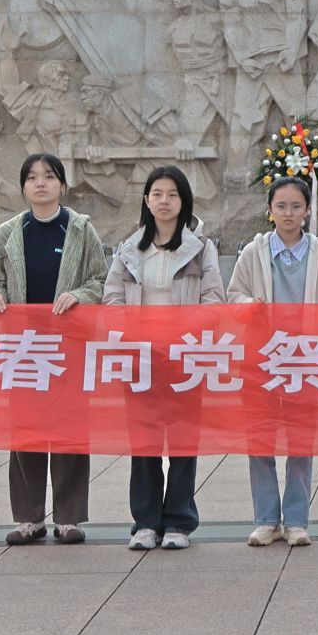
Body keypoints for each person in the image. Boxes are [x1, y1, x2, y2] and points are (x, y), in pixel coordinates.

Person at [0, 153, 108, 545]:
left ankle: (69, 518)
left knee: (70, 429)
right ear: (23, 186)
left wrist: (79, 295)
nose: (41, 183)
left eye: (49, 176)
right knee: (26, 432)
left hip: (69, 345)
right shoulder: (8, 232)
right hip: (24, 348)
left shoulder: (80, 229)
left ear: (62, 185)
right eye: (32, 177)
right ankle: (29, 518)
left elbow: (102, 281)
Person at [105, 165, 224, 551]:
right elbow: (112, 297)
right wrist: (132, 332)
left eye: (172, 194)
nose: (164, 201)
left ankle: (178, 522)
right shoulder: (129, 249)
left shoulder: (200, 249)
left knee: (183, 443)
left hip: (184, 357)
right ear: (146, 200)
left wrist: (181, 332)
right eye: (157, 194)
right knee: (144, 443)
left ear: (183, 201)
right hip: (141, 357)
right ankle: (145, 522)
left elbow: (214, 300)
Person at [227, 174, 318, 547]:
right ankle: (266, 520)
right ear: (269, 210)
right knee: (259, 440)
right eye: (281, 206)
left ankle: (295, 520)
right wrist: (250, 304)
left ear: (307, 210)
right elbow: (233, 295)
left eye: (296, 206)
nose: (288, 213)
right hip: (261, 360)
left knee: (301, 442)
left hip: (305, 360)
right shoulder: (253, 252)